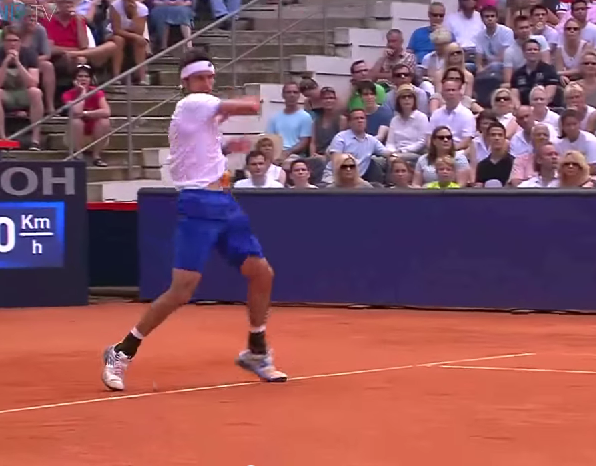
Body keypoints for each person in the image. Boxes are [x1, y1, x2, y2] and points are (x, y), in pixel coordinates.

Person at [101, 49, 288, 391]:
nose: (207, 83)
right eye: (201, 78)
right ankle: (122, 350)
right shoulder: (193, 103)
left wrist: (229, 149)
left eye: (210, 77)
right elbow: (249, 107)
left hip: (225, 203)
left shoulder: (202, 114)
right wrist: (265, 97)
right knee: (181, 290)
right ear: (186, 81)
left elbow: (200, 152)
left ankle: (257, 350)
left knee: (262, 272)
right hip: (198, 205)